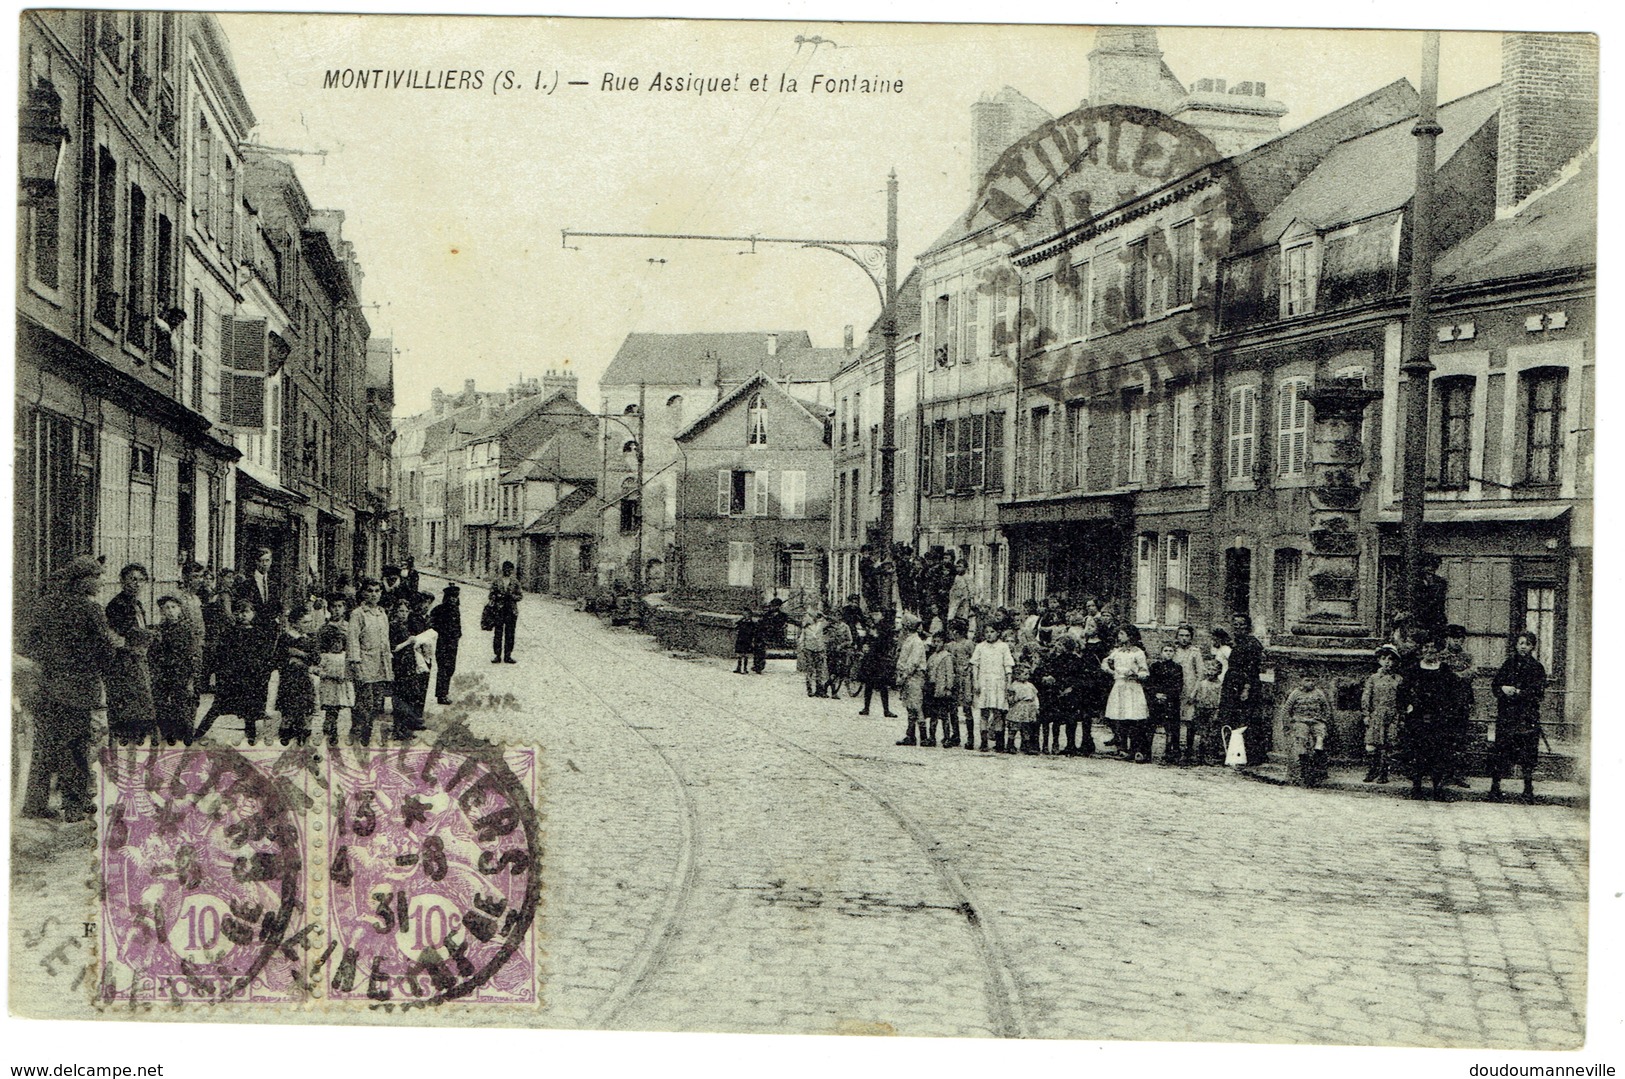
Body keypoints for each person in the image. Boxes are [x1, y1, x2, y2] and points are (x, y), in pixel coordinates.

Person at [21, 556, 118, 821]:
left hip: (45, 686)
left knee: (45, 745)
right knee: (75, 746)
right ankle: (74, 807)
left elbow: (25, 643)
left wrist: (49, 661)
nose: (101, 581)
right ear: (82, 580)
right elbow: (105, 652)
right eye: (96, 577)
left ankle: (34, 804)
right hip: (76, 688)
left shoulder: (45, 605)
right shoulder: (91, 610)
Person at [1398, 630, 1473, 800]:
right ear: (1421, 650)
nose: (1430, 651)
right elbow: (1402, 691)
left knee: (1439, 752)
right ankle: (1416, 787)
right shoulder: (1414, 669)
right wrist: (1408, 706)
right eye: (1426, 647)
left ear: (1438, 651)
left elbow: (1454, 692)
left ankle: (1437, 788)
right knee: (1419, 751)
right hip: (1418, 716)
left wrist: (1449, 711)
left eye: (1433, 648)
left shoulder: (1445, 670)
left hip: (1439, 717)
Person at [1489, 631, 1547, 804]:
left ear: (1533, 647)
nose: (1524, 647)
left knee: (1527, 753)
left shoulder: (1537, 668)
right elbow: (1495, 686)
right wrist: (1504, 689)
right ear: (1516, 645)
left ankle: (1528, 789)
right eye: (1521, 643)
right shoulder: (1508, 664)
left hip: (1527, 715)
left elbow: (1539, 692)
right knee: (1502, 750)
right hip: (1507, 715)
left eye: (1527, 644)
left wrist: (1521, 692)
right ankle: (1495, 787)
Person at [347, 578, 393, 746]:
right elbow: (353, 640)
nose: (374, 594)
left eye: (377, 591)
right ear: (363, 593)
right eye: (370, 591)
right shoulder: (358, 614)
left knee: (377, 701)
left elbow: (385, 641)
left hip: (380, 663)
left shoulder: (382, 613)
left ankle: (367, 729)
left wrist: (388, 663)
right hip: (364, 662)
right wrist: (356, 663)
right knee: (364, 700)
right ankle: (358, 731)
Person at [150, 596, 197, 746]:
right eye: (166, 608)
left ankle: (187, 733)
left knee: (182, 703)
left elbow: (192, 654)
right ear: (162, 612)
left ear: (180, 609)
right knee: (161, 703)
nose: (170, 611)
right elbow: (153, 652)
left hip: (181, 672)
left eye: (173, 607)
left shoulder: (186, 629)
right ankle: (168, 732)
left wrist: (192, 676)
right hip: (163, 672)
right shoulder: (159, 630)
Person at [271, 606, 318, 746]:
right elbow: (277, 658)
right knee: (288, 707)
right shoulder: (285, 638)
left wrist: (299, 654)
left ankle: (303, 733)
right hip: (289, 679)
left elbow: (315, 658)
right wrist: (289, 659)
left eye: (310, 622)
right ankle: (286, 732)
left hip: (304, 678)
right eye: (305, 622)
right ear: (294, 623)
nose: (308, 625)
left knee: (306, 705)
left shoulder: (309, 638)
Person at [1223, 615, 1267, 766]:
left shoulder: (1252, 644)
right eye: (1235, 625)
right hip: (1233, 684)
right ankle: (1235, 753)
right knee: (1234, 718)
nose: (1238, 628)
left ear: (1248, 627)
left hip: (1246, 686)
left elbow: (1253, 669)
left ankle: (1251, 756)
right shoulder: (1238, 643)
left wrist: (1246, 689)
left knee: (1247, 720)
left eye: (1241, 625)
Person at [1104, 626, 1152, 761]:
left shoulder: (1138, 653)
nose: (1119, 636)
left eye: (1122, 633)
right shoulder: (1117, 651)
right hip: (1119, 685)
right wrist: (1111, 671)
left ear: (1130, 636)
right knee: (1120, 717)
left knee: (1132, 718)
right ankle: (1122, 749)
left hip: (1132, 687)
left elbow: (1144, 671)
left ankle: (1135, 750)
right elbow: (1105, 663)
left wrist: (1136, 675)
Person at [1361, 645, 1404, 783]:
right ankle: (1372, 770)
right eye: (1384, 658)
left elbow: (1402, 699)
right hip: (1376, 714)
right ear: (1379, 660)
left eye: (1390, 659)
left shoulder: (1398, 679)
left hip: (1392, 714)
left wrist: (1401, 716)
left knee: (1388, 744)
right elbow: (1366, 696)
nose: (1387, 662)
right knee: (1373, 744)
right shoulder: (1373, 678)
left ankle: (1384, 773)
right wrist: (1366, 714)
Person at [317, 594, 355, 746]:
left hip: (343, 667)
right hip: (329, 666)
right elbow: (319, 649)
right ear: (329, 609)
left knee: (340, 701)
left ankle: (337, 727)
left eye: (340, 606)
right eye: (334, 607)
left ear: (344, 609)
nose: (337, 610)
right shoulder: (324, 628)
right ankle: (329, 727)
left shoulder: (349, 627)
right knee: (329, 702)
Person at [971, 623, 1014, 752]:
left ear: (998, 633)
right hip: (984, 682)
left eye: (992, 631)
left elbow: (1008, 667)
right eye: (987, 632)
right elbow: (975, 666)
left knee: (998, 713)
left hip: (998, 683)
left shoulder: (1003, 647)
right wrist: (976, 682)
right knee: (983, 712)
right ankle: (984, 742)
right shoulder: (980, 647)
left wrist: (1008, 684)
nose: (989, 634)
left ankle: (999, 743)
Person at [1283, 678, 1334, 785]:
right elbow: (1287, 709)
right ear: (1301, 682)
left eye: (1312, 680)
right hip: (1300, 720)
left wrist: (1324, 721)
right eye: (1307, 680)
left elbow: (1326, 708)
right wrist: (1288, 723)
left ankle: (1318, 765)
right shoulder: (1295, 694)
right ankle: (1304, 769)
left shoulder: (1318, 693)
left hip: (1316, 720)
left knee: (1320, 737)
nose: (1310, 683)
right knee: (1302, 739)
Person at [1147, 641, 1185, 765]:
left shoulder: (1177, 668)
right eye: (1166, 651)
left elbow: (1178, 685)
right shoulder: (1155, 666)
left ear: (1174, 653)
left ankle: (1170, 753)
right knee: (1151, 725)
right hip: (1156, 700)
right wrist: (1156, 694)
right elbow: (1151, 683)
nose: (1168, 653)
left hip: (1171, 701)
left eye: (1171, 651)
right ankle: (1146, 752)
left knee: (1172, 728)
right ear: (1161, 652)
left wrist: (1167, 695)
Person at [894, 619, 930, 745]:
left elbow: (913, 662)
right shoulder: (909, 640)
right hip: (908, 676)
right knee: (909, 706)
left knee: (916, 706)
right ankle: (910, 735)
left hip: (914, 676)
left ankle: (923, 737)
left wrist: (903, 676)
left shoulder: (916, 642)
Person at [1170, 625, 1203, 760]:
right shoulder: (1174, 651)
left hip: (1190, 688)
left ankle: (1189, 749)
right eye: (1181, 635)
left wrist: (1194, 692)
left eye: (1187, 636)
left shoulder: (1195, 652)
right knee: (1175, 718)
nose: (1184, 639)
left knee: (1190, 720)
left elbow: (1200, 673)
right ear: (1177, 637)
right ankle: (1175, 748)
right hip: (1176, 689)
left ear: (1191, 637)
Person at [858, 610, 898, 717]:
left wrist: (876, 636)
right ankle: (866, 708)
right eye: (873, 614)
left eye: (877, 614)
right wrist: (865, 645)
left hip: (881, 659)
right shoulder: (872, 626)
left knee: (883, 684)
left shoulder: (885, 627)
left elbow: (887, 643)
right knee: (868, 684)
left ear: (882, 615)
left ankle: (886, 709)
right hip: (870, 659)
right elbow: (865, 639)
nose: (874, 616)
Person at [430, 585, 463, 705]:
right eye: (451, 597)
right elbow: (431, 622)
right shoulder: (439, 609)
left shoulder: (456, 609)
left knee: (450, 668)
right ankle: (441, 695)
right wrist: (441, 631)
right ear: (446, 597)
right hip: (443, 643)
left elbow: (458, 625)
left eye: (455, 597)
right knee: (443, 668)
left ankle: (445, 692)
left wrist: (458, 634)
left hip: (453, 643)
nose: (453, 599)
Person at [925, 631, 958, 748]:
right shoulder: (932, 657)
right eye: (934, 641)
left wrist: (949, 688)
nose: (936, 644)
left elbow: (950, 674)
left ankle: (947, 737)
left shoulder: (947, 657)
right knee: (933, 715)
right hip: (932, 688)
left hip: (942, 689)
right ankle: (932, 737)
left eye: (938, 642)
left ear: (943, 643)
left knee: (944, 715)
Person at [1189, 658, 1225, 764]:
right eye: (1208, 669)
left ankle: (1209, 754)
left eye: (1213, 670)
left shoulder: (1219, 685)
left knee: (1212, 732)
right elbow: (1193, 696)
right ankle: (1199, 754)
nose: (1210, 672)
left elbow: (1220, 699)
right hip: (1201, 709)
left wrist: (1217, 710)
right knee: (1202, 732)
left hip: (1212, 710)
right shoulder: (1202, 683)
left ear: (1218, 672)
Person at [488, 561, 522, 663]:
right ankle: (497, 655)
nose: (508, 571)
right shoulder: (496, 581)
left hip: (511, 610)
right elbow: (491, 595)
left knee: (510, 634)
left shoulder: (515, 582)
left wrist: (512, 597)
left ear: (512, 571)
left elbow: (520, 596)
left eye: (510, 570)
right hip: (499, 610)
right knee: (498, 633)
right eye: (506, 569)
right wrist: (497, 596)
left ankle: (508, 656)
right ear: (502, 570)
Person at [1008, 664, 1040, 755]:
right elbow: (1010, 698)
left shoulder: (1030, 685)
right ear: (1018, 675)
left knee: (1026, 728)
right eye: (1024, 674)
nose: (1027, 676)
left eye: (1028, 674)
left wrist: (1036, 707)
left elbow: (1035, 697)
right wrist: (1014, 699)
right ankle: (1010, 745)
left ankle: (1026, 745)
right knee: (1014, 727)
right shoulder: (1014, 685)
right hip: (1018, 707)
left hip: (1028, 707)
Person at [798, 613, 830, 699]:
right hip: (809, 649)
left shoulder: (821, 625)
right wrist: (803, 648)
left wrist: (823, 615)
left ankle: (819, 690)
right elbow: (801, 639)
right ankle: (809, 689)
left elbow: (829, 621)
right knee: (810, 669)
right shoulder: (806, 628)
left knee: (820, 670)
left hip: (819, 649)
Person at [755, 598, 787, 674]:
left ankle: (759, 665)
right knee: (758, 645)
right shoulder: (767, 614)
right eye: (771, 606)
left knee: (760, 645)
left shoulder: (782, 615)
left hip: (775, 634)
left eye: (773, 606)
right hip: (765, 634)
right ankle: (758, 665)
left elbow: (779, 626)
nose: (771, 607)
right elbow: (762, 623)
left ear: (778, 606)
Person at [824, 614, 853, 698]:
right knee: (831, 671)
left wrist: (842, 645)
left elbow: (850, 640)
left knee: (838, 672)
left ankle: (825, 686)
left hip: (841, 652)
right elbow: (821, 635)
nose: (835, 618)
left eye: (837, 616)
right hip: (831, 651)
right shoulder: (828, 626)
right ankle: (834, 692)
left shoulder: (845, 627)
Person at [732, 610, 757, 675]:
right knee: (739, 655)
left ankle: (745, 668)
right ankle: (739, 667)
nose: (745, 616)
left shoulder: (752, 624)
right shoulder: (741, 622)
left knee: (745, 655)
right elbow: (736, 626)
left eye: (746, 615)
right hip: (740, 639)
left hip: (747, 640)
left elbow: (753, 632)